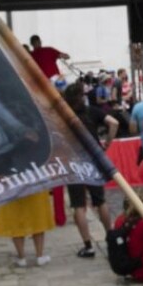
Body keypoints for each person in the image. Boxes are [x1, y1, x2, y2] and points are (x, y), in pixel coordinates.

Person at [63, 83, 113, 258]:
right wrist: (107, 142)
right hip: (93, 160)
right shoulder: (92, 111)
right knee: (100, 201)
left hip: (74, 162)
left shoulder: (64, 116)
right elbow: (113, 122)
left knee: (78, 205)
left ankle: (88, 246)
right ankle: (110, 238)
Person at [0, 191, 55, 267]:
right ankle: (39, 255)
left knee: (15, 218)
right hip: (34, 188)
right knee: (38, 216)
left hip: (14, 189)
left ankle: (21, 257)